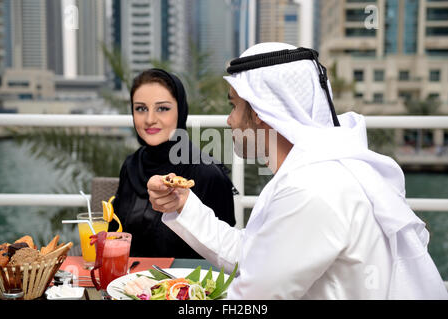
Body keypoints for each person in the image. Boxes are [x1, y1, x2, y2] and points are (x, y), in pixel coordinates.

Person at [147, 43, 448, 299]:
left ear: (261, 113)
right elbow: (255, 259)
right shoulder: (314, 172)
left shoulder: (312, 189)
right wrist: (183, 204)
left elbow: (250, 298)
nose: (229, 121)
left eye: (234, 106)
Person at [112, 68, 236, 258]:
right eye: (141, 108)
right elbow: (114, 234)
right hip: (129, 284)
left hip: (189, 285)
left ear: (181, 111)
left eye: (162, 108)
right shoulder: (131, 165)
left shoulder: (207, 173)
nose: (150, 119)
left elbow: (226, 254)